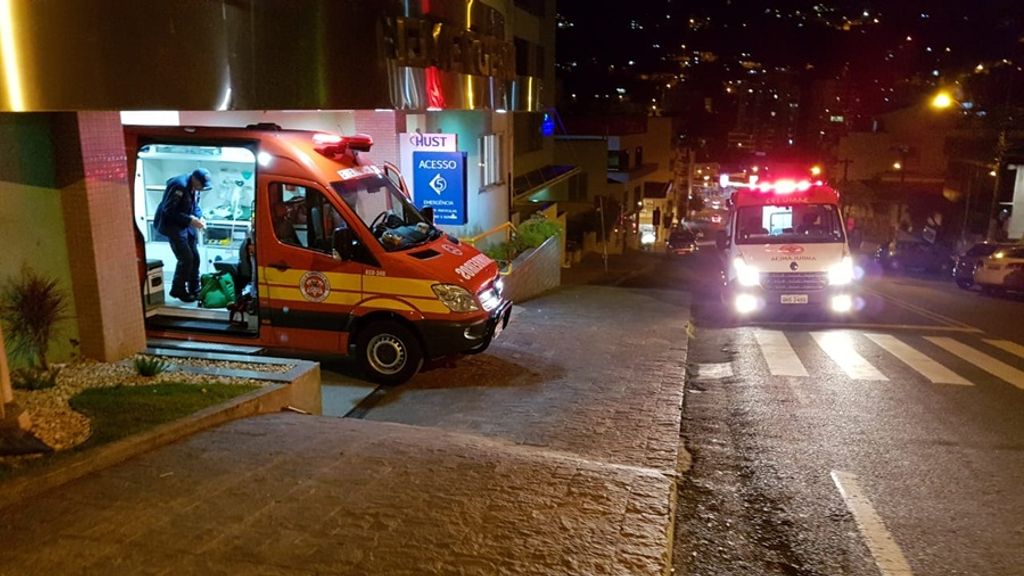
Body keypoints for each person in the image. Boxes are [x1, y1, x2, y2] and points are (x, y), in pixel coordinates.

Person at [157, 168, 211, 303]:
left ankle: (194, 288)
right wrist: (190, 220)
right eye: (201, 185)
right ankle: (178, 289)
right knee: (186, 258)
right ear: (194, 179)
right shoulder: (179, 185)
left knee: (195, 257)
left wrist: (200, 217)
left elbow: (195, 205)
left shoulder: (194, 187)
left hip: (185, 224)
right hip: (172, 225)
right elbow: (168, 210)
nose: (201, 189)